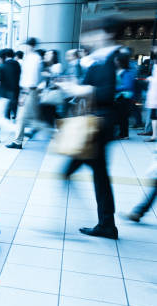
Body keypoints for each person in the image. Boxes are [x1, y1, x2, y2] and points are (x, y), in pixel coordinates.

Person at [58, 16, 122, 239]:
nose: (88, 38)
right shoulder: (99, 59)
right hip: (97, 122)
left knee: (86, 170)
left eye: (93, 33)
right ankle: (106, 223)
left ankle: (104, 223)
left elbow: (106, 92)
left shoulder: (112, 57)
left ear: (107, 34)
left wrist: (79, 90)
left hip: (100, 123)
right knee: (99, 173)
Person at [9, 37, 43, 149]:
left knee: (22, 118)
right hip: (29, 91)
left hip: (28, 91)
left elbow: (31, 78)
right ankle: (19, 140)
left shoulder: (33, 58)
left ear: (30, 46)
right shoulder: (31, 57)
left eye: (25, 45)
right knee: (29, 118)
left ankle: (18, 141)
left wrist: (24, 94)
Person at [0, 49, 21, 144]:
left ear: (3, 56)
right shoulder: (16, 64)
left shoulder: (1, 67)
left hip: (0, 95)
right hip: (11, 94)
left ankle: (18, 129)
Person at [114, 50, 136, 140]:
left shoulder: (127, 73)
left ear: (120, 62)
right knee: (120, 116)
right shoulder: (118, 71)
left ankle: (124, 134)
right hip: (119, 97)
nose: (114, 61)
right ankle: (122, 133)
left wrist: (114, 88)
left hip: (124, 97)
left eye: (116, 60)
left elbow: (127, 86)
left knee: (123, 116)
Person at [142, 48, 157, 142]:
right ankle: (153, 135)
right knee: (154, 117)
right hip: (154, 97)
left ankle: (153, 136)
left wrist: (150, 79)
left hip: (155, 97)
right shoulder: (155, 66)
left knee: (154, 116)